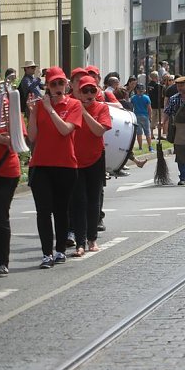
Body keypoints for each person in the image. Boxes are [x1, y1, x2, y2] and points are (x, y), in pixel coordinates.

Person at [27, 67, 83, 269]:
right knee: (43, 211)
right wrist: (33, 112)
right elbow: (32, 136)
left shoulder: (74, 104)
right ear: (47, 87)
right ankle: (46, 254)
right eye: (53, 84)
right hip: (41, 165)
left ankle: (60, 250)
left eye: (61, 83)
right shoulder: (40, 106)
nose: (58, 87)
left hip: (65, 165)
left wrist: (50, 109)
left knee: (60, 210)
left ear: (66, 85)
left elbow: (65, 130)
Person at [69, 76, 112, 256]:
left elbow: (99, 131)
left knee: (94, 201)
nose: (89, 94)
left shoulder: (102, 107)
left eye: (92, 90)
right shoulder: (71, 106)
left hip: (95, 158)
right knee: (79, 202)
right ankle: (80, 242)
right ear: (78, 92)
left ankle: (92, 239)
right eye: (85, 90)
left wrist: (84, 113)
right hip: (75, 160)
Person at [0, 91, 23, 276]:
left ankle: (1, 261)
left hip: (6, 170)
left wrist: (1, 139)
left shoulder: (9, 106)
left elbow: (19, 142)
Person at [131, 84, 153, 152]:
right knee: (147, 132)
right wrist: (150, 117)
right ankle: (150, 147)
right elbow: (149, 108)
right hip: (145, 116)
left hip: (136, 116)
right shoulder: (146, 98)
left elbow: (132, 107)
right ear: (144, 90)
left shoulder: (133, 98)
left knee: (139, 133)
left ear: (136, 90)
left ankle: (140, 147)